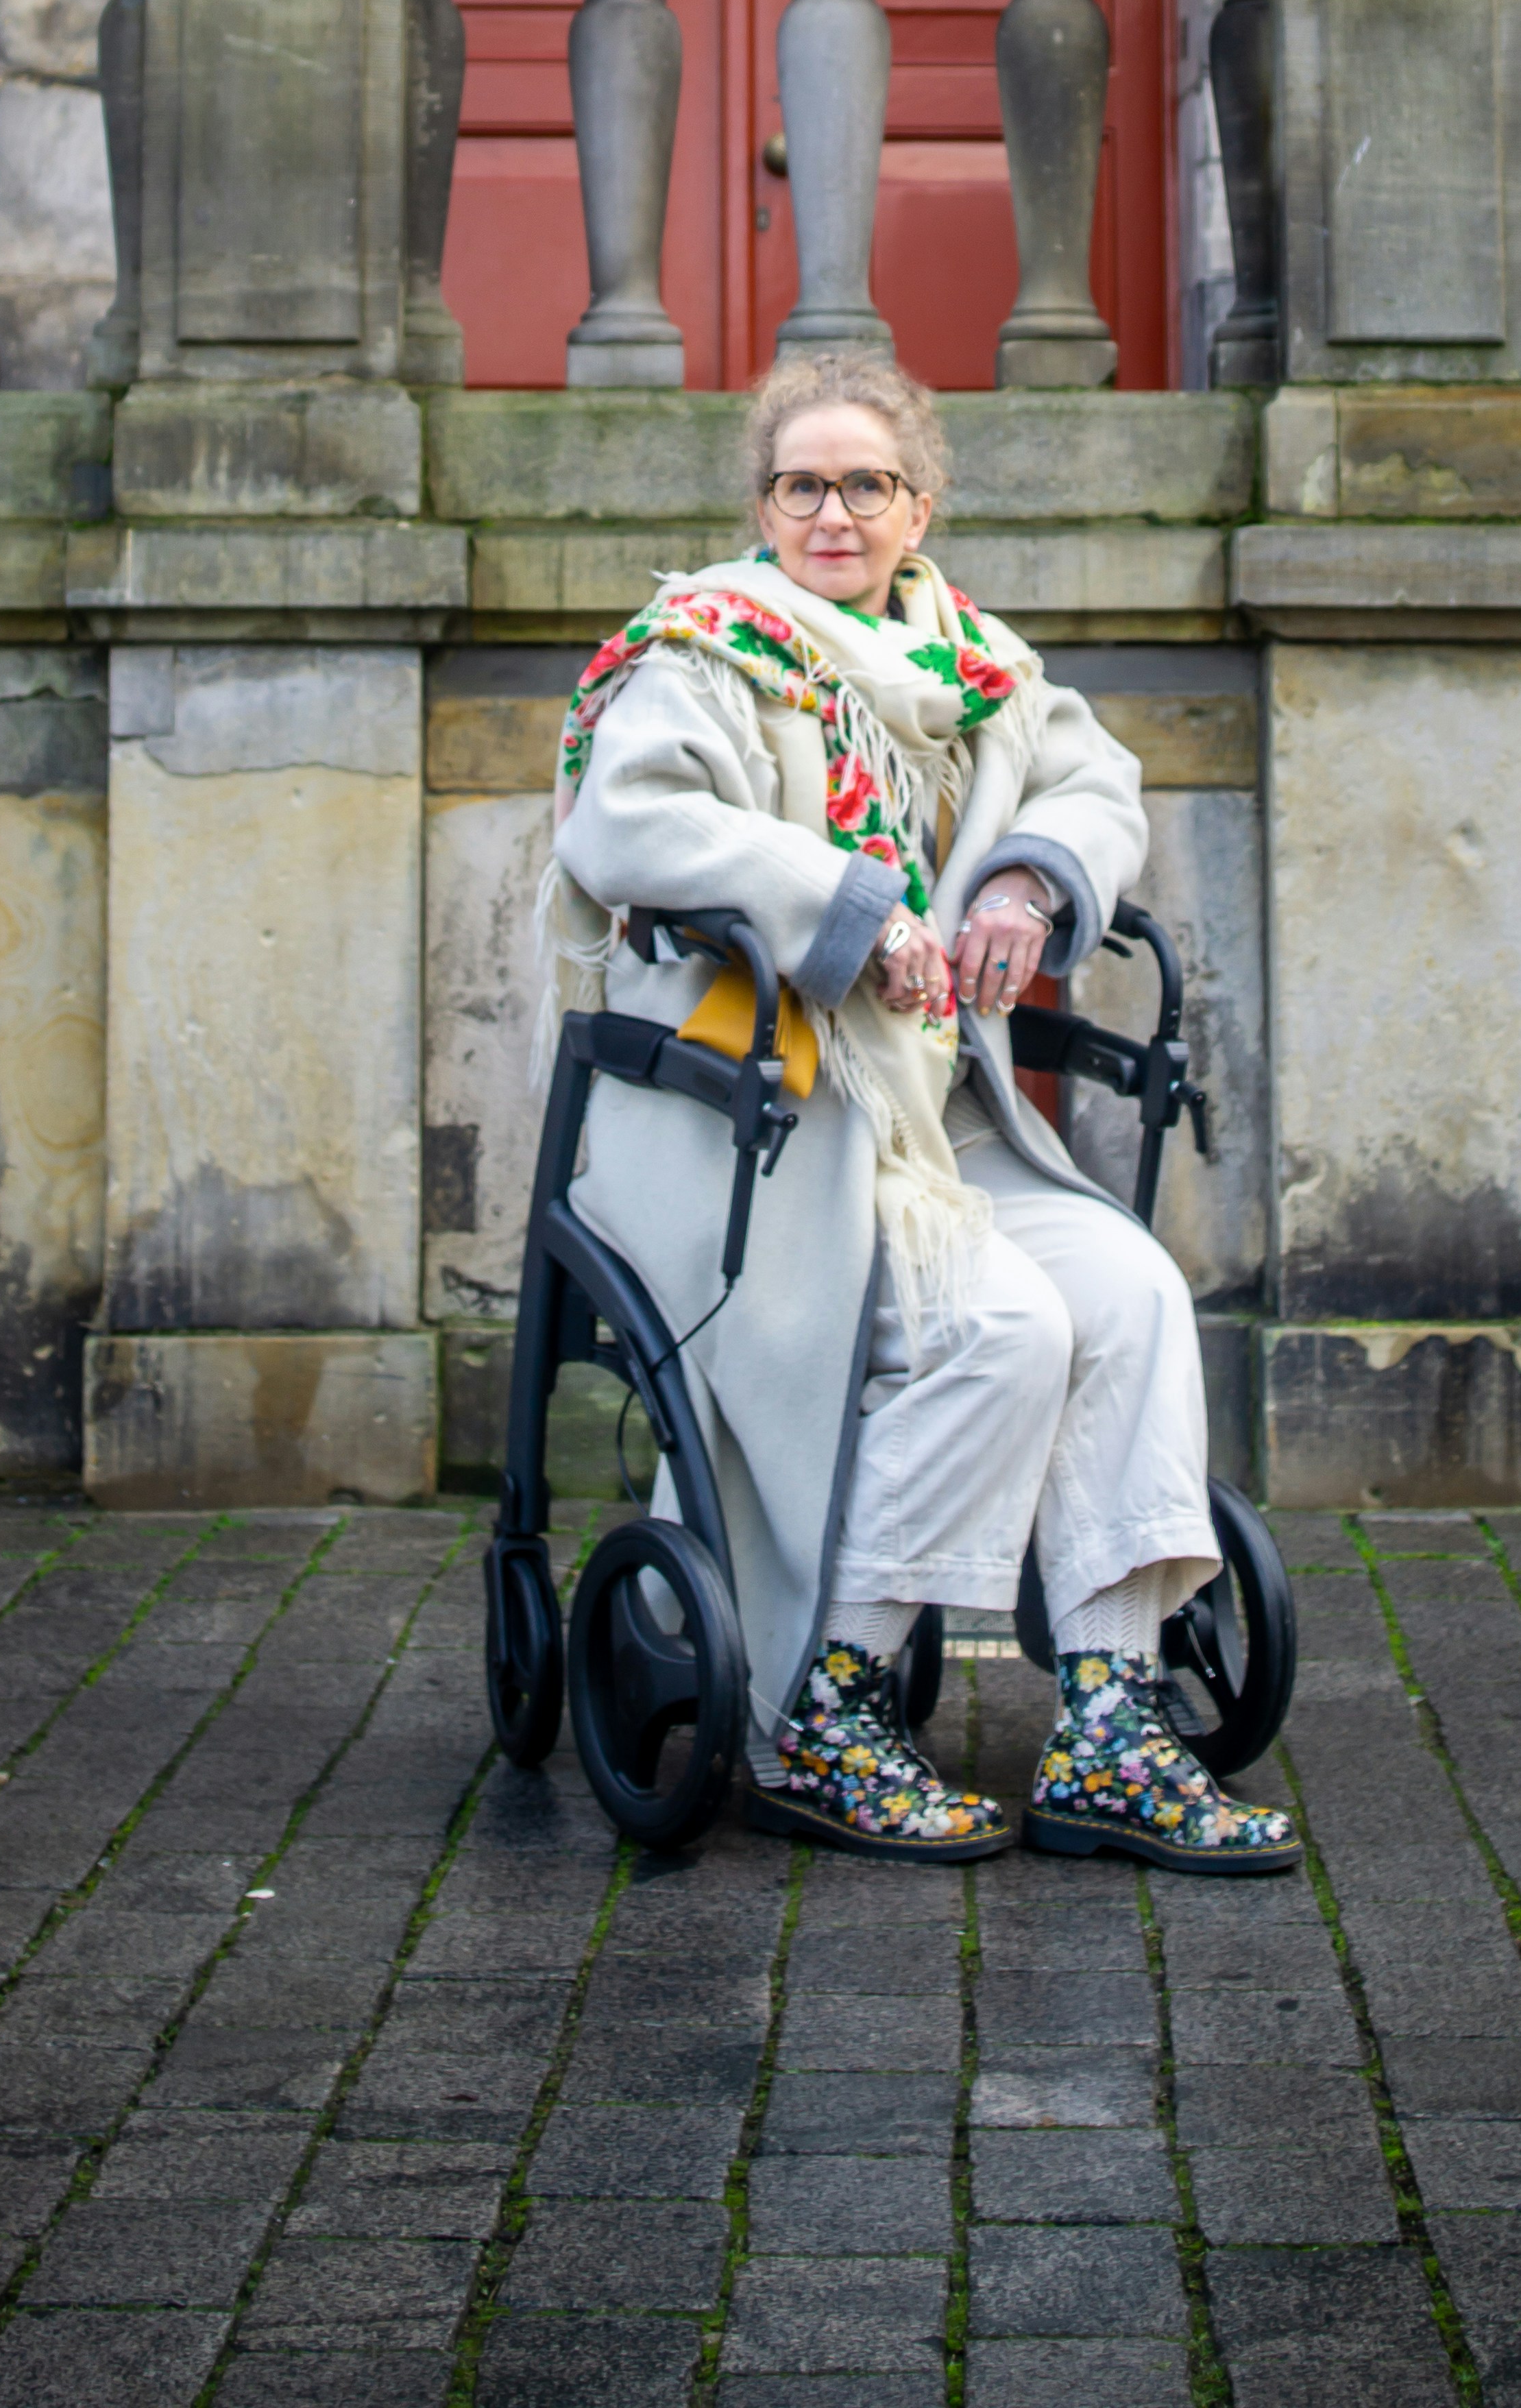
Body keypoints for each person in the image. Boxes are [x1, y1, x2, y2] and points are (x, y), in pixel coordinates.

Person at [539, 348, 1295, 1874]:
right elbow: (630, 820)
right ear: (761, 503)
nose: (832, 512)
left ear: (918, 504)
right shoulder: (697, 650)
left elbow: (1096, 787)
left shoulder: (977, 668)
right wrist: (843, 905)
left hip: (924, 1128)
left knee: (1133, 1294)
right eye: (801, 485)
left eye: (863, 485)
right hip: (750, 1119)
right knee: (1004, 1328)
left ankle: (1106, 1727)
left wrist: (1030, 877)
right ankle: (826, 1706)